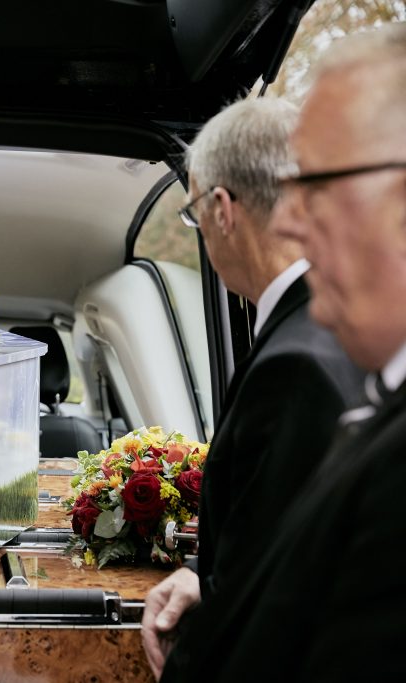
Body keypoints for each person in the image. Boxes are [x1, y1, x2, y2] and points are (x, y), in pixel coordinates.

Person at [159, 22, 406, 682]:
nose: (291, 219)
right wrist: (209, 582)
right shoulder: (379, 400)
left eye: (319, 184)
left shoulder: (302, 368)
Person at [141, 97, 365, 678]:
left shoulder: (294, 367)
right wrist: (201, 577)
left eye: (192, 212)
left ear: (221, 209)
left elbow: (274, 606)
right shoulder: (344, 330)